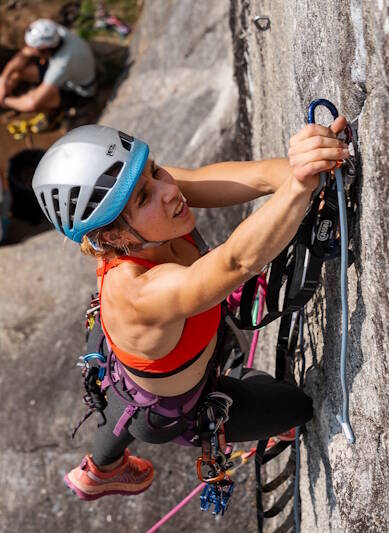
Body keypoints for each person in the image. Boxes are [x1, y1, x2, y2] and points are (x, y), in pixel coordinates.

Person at [31, 121, 351, 500]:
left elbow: (254, 177)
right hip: (175, 407)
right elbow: (234, 264)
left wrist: (310, 162)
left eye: (154, 169)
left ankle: (100, 469)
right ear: (113, 237)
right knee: (293, 408)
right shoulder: (139, 294)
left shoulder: (146, 208)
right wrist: (300, 185)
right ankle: (102, 471)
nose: (169, 190)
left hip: (136, 353)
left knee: (122, 396)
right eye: (143, 198)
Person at [0, 19, 96, 115]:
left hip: (79, 91)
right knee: (16, 73)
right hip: (70, 71)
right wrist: (2, 80)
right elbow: (23, 55)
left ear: (43, 49)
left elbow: (32, 103)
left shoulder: (60, 65)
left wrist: (3, 100)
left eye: (32, 47)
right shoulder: (54, 31)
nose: (28, 49)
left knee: (33, 98)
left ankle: (54, 113)